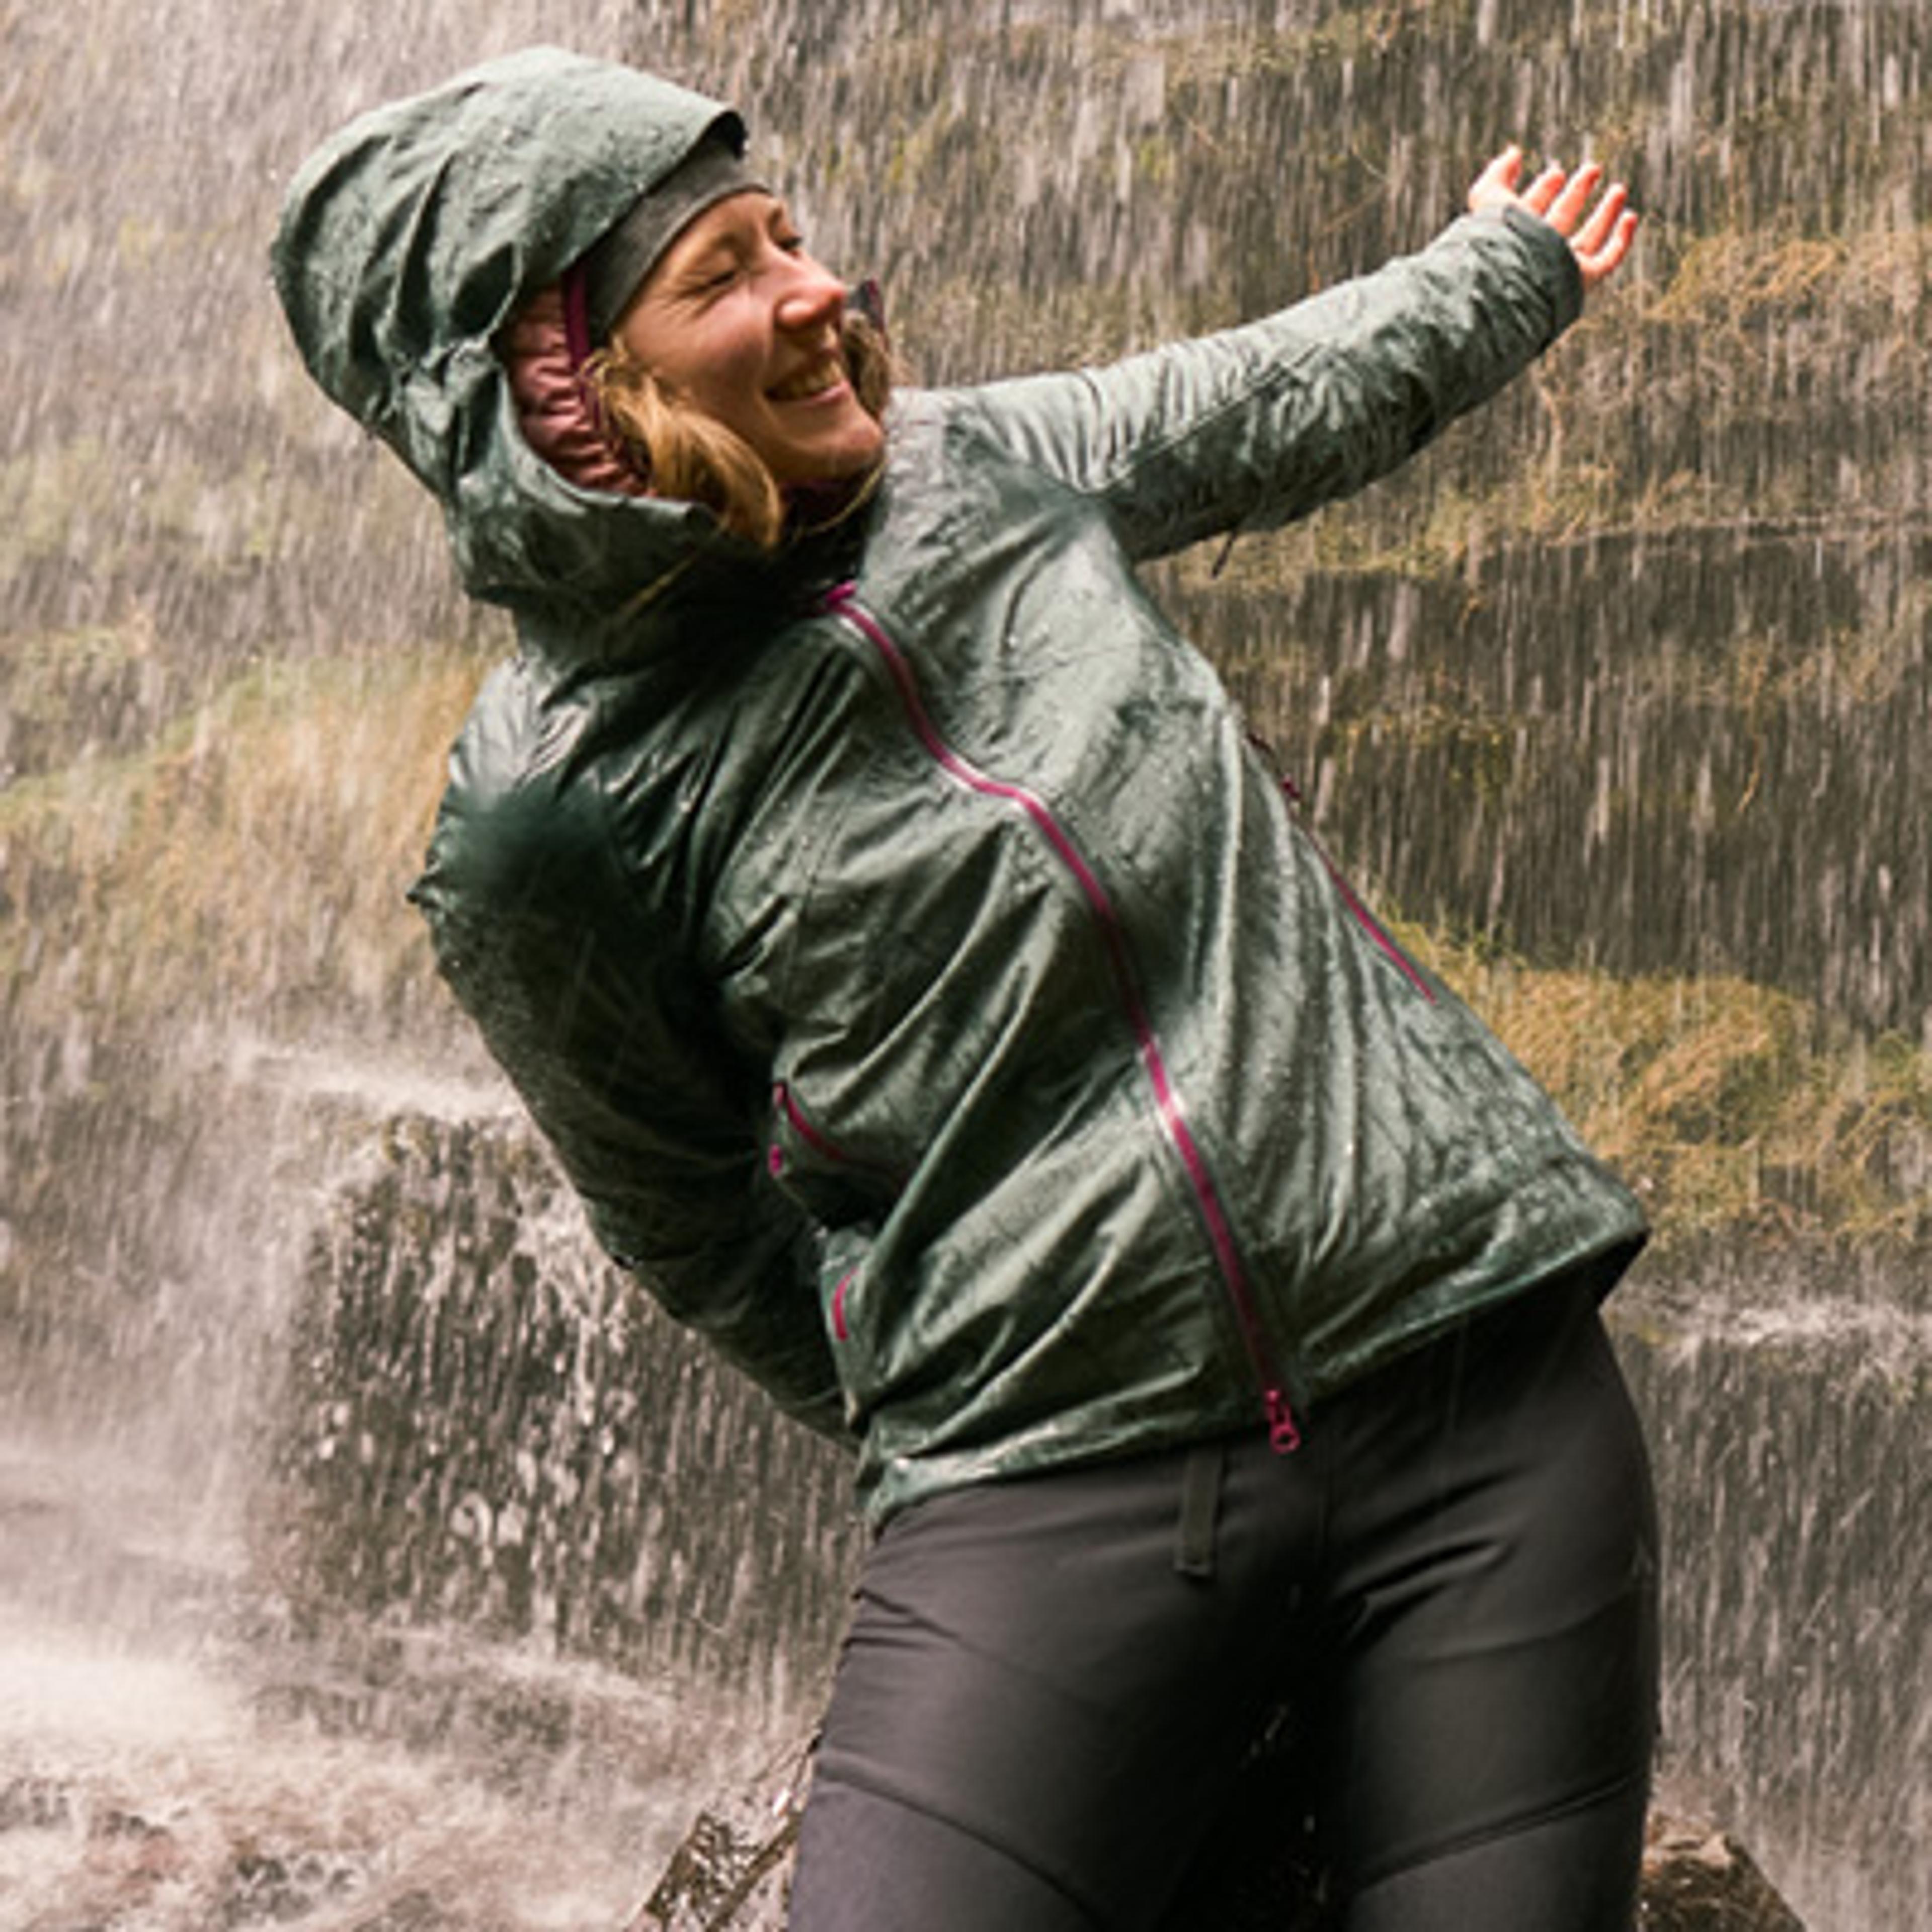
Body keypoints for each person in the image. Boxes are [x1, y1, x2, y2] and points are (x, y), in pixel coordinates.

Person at [273, 46, 1656, 1931]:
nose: (819, 291)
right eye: (724, 274)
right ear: (559, 388)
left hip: (1479, 1394)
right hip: (1046, 1493)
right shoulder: (547, 819)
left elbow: (1275, 394)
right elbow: (690, 1212)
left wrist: (1504, 266)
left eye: (791, 236)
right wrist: (982, 1350)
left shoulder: (983, 466)